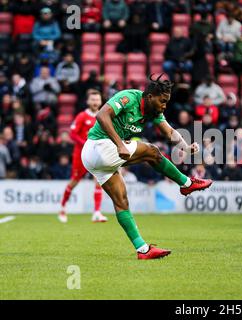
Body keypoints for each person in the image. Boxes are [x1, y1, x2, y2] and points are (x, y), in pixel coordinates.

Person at [81, 74, 213, 260]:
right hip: (98, 146)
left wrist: (186, 147)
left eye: (167, 102)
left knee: (122, 201)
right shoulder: (128, 98)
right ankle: (186, 183)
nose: (164, 105)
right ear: (150, 96)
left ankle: (142, 249)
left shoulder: (154, 111)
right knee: (152, 151)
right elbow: (102, 115)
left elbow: (169, 132)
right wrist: (120, 144)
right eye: (163, 101)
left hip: (98, 160)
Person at [59, 90, 107, 223]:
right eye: (93, 99)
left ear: (101, 101)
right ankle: (63, 207)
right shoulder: (82, 116)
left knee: (99, 180)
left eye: (97, 100)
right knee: (74, 181)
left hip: (97, 155)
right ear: (88, 101)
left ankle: (97, 212)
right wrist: (86, 143)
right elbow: (72, 134)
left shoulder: (103, 116)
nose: (95, 102)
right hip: (81, 155)